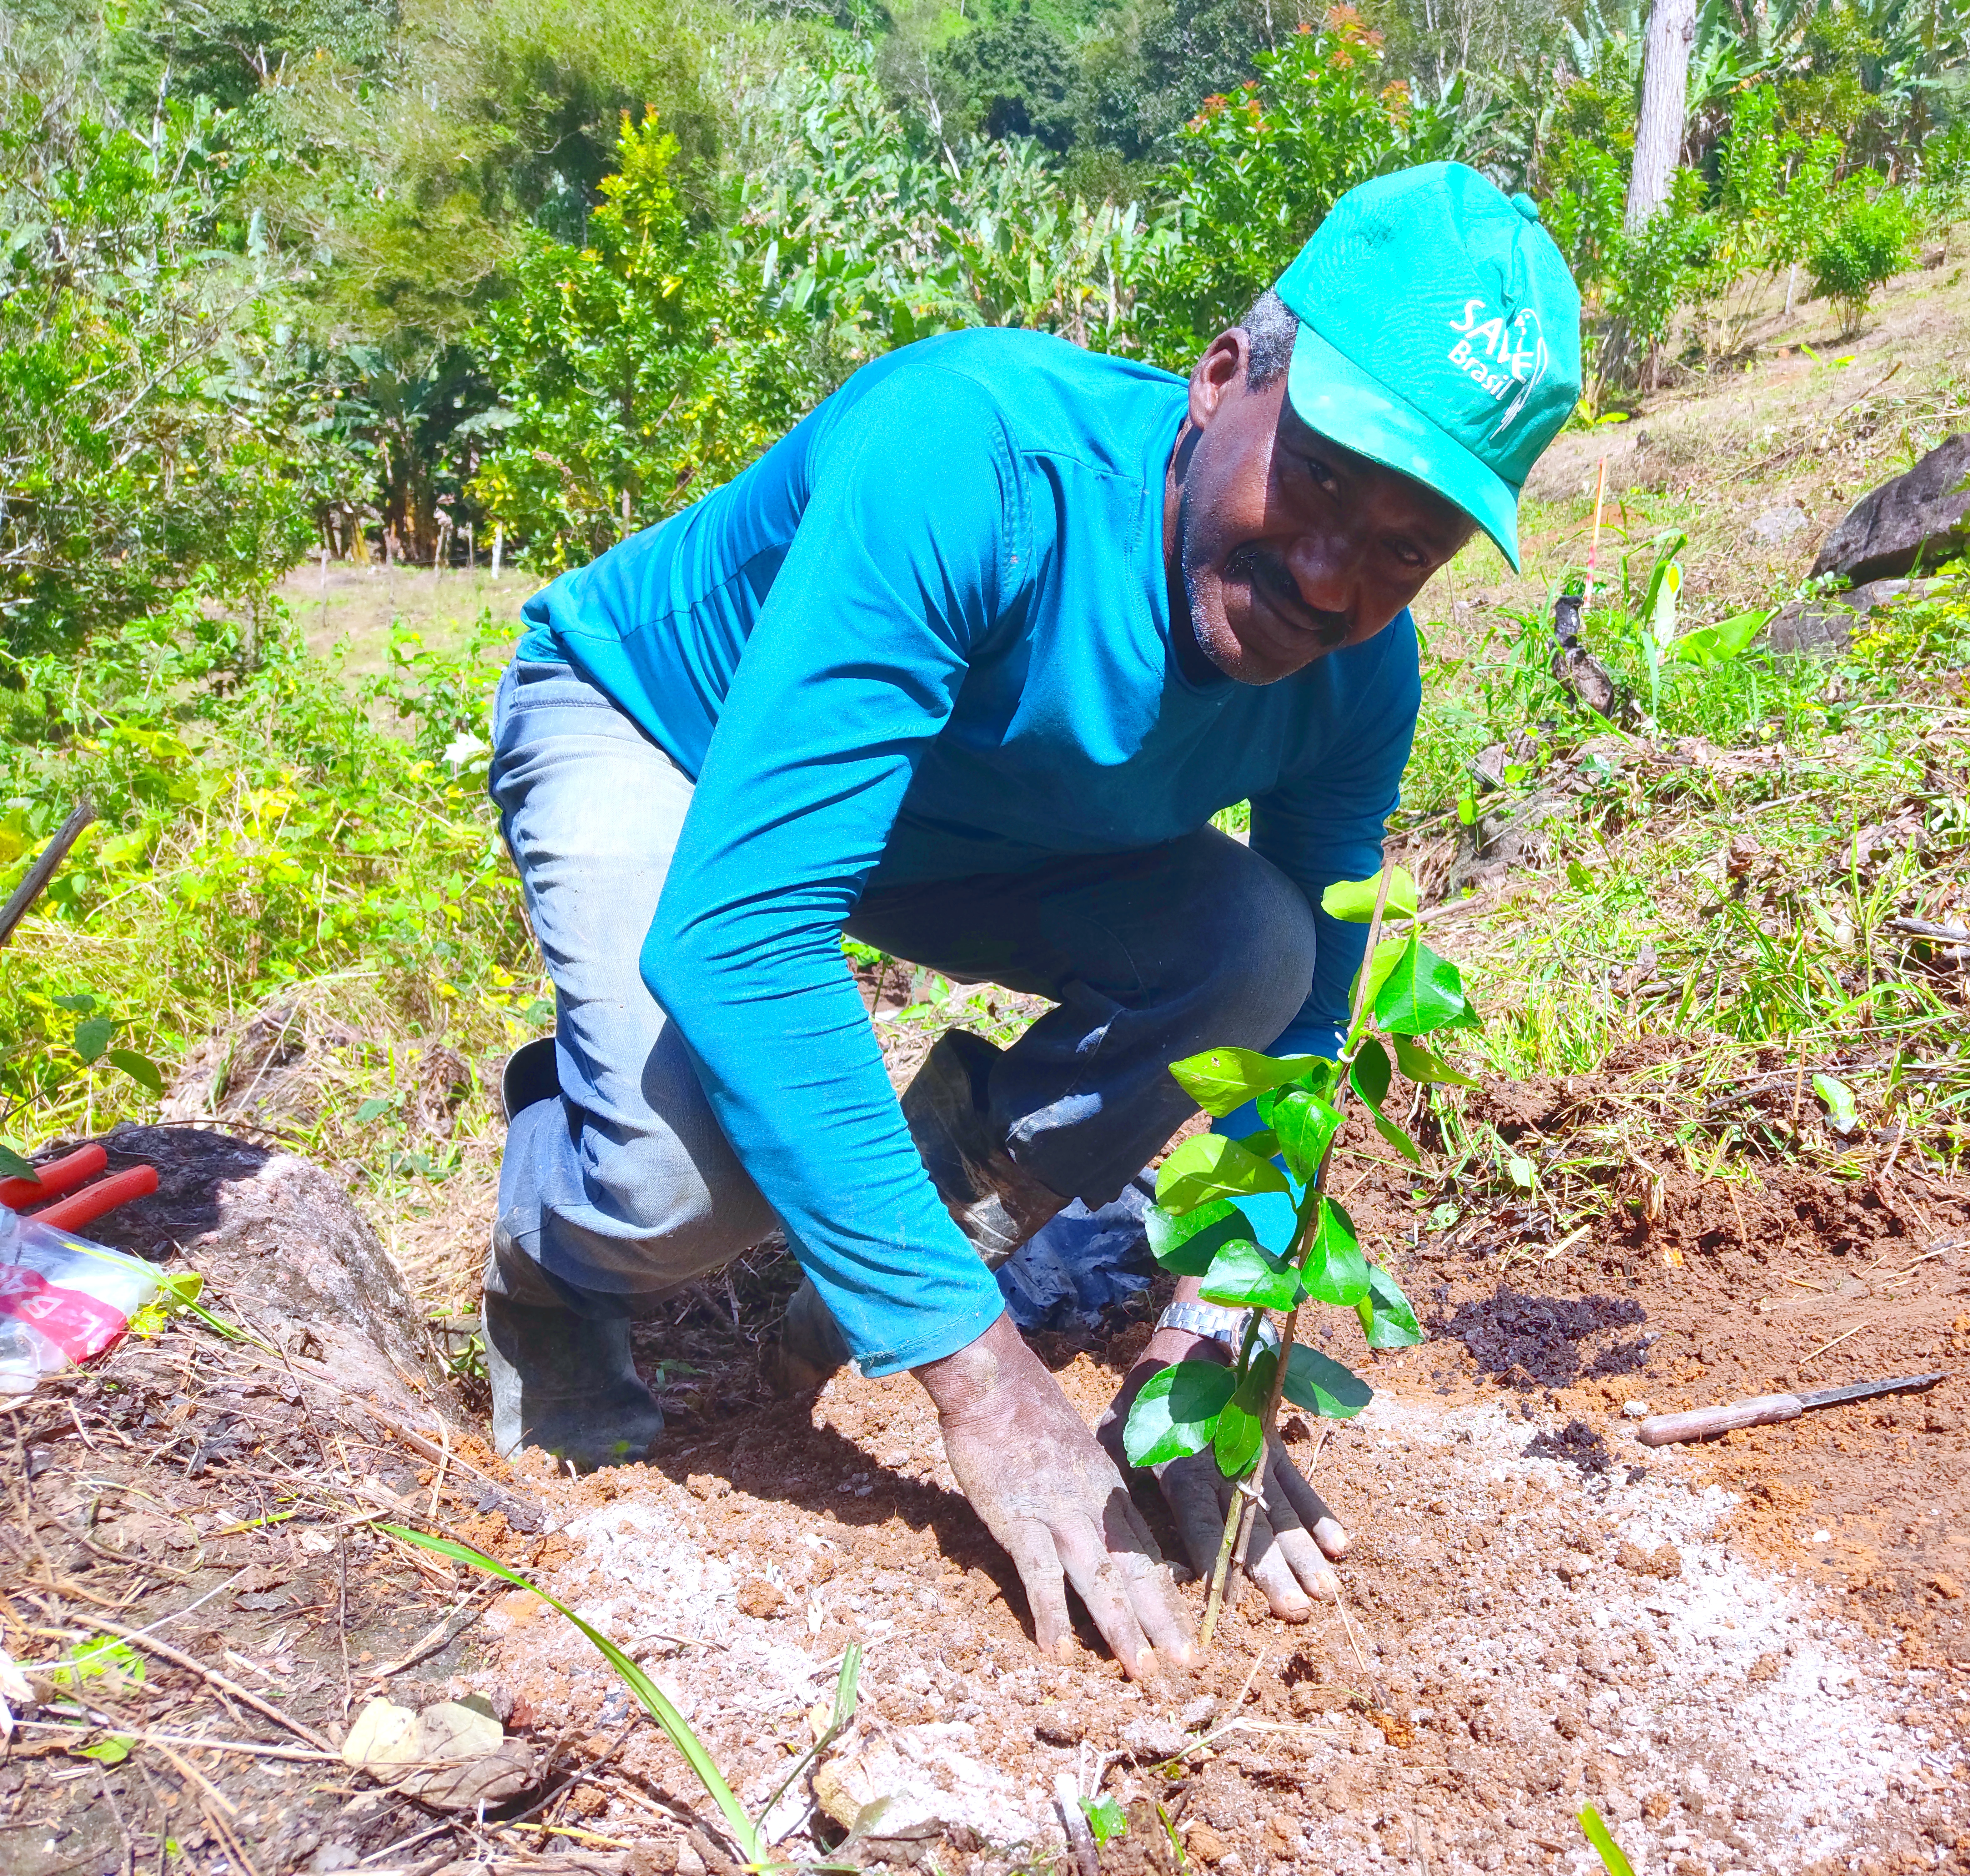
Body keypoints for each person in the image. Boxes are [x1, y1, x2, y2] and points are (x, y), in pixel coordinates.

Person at [482, 160, 1579, 1685]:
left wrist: (1218, 1339)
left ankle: (940, 1179)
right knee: (679, 1194)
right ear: (1218, 382)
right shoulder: (975, 451)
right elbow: (739, 929)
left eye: (1406, 547)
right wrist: (989, 1389)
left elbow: (1315, 1007)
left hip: (959, 819)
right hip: (673, 732)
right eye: (1322, 477)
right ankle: (561, 1208)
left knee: (1253, 954)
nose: (1332, 577)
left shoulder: (1355, 683)